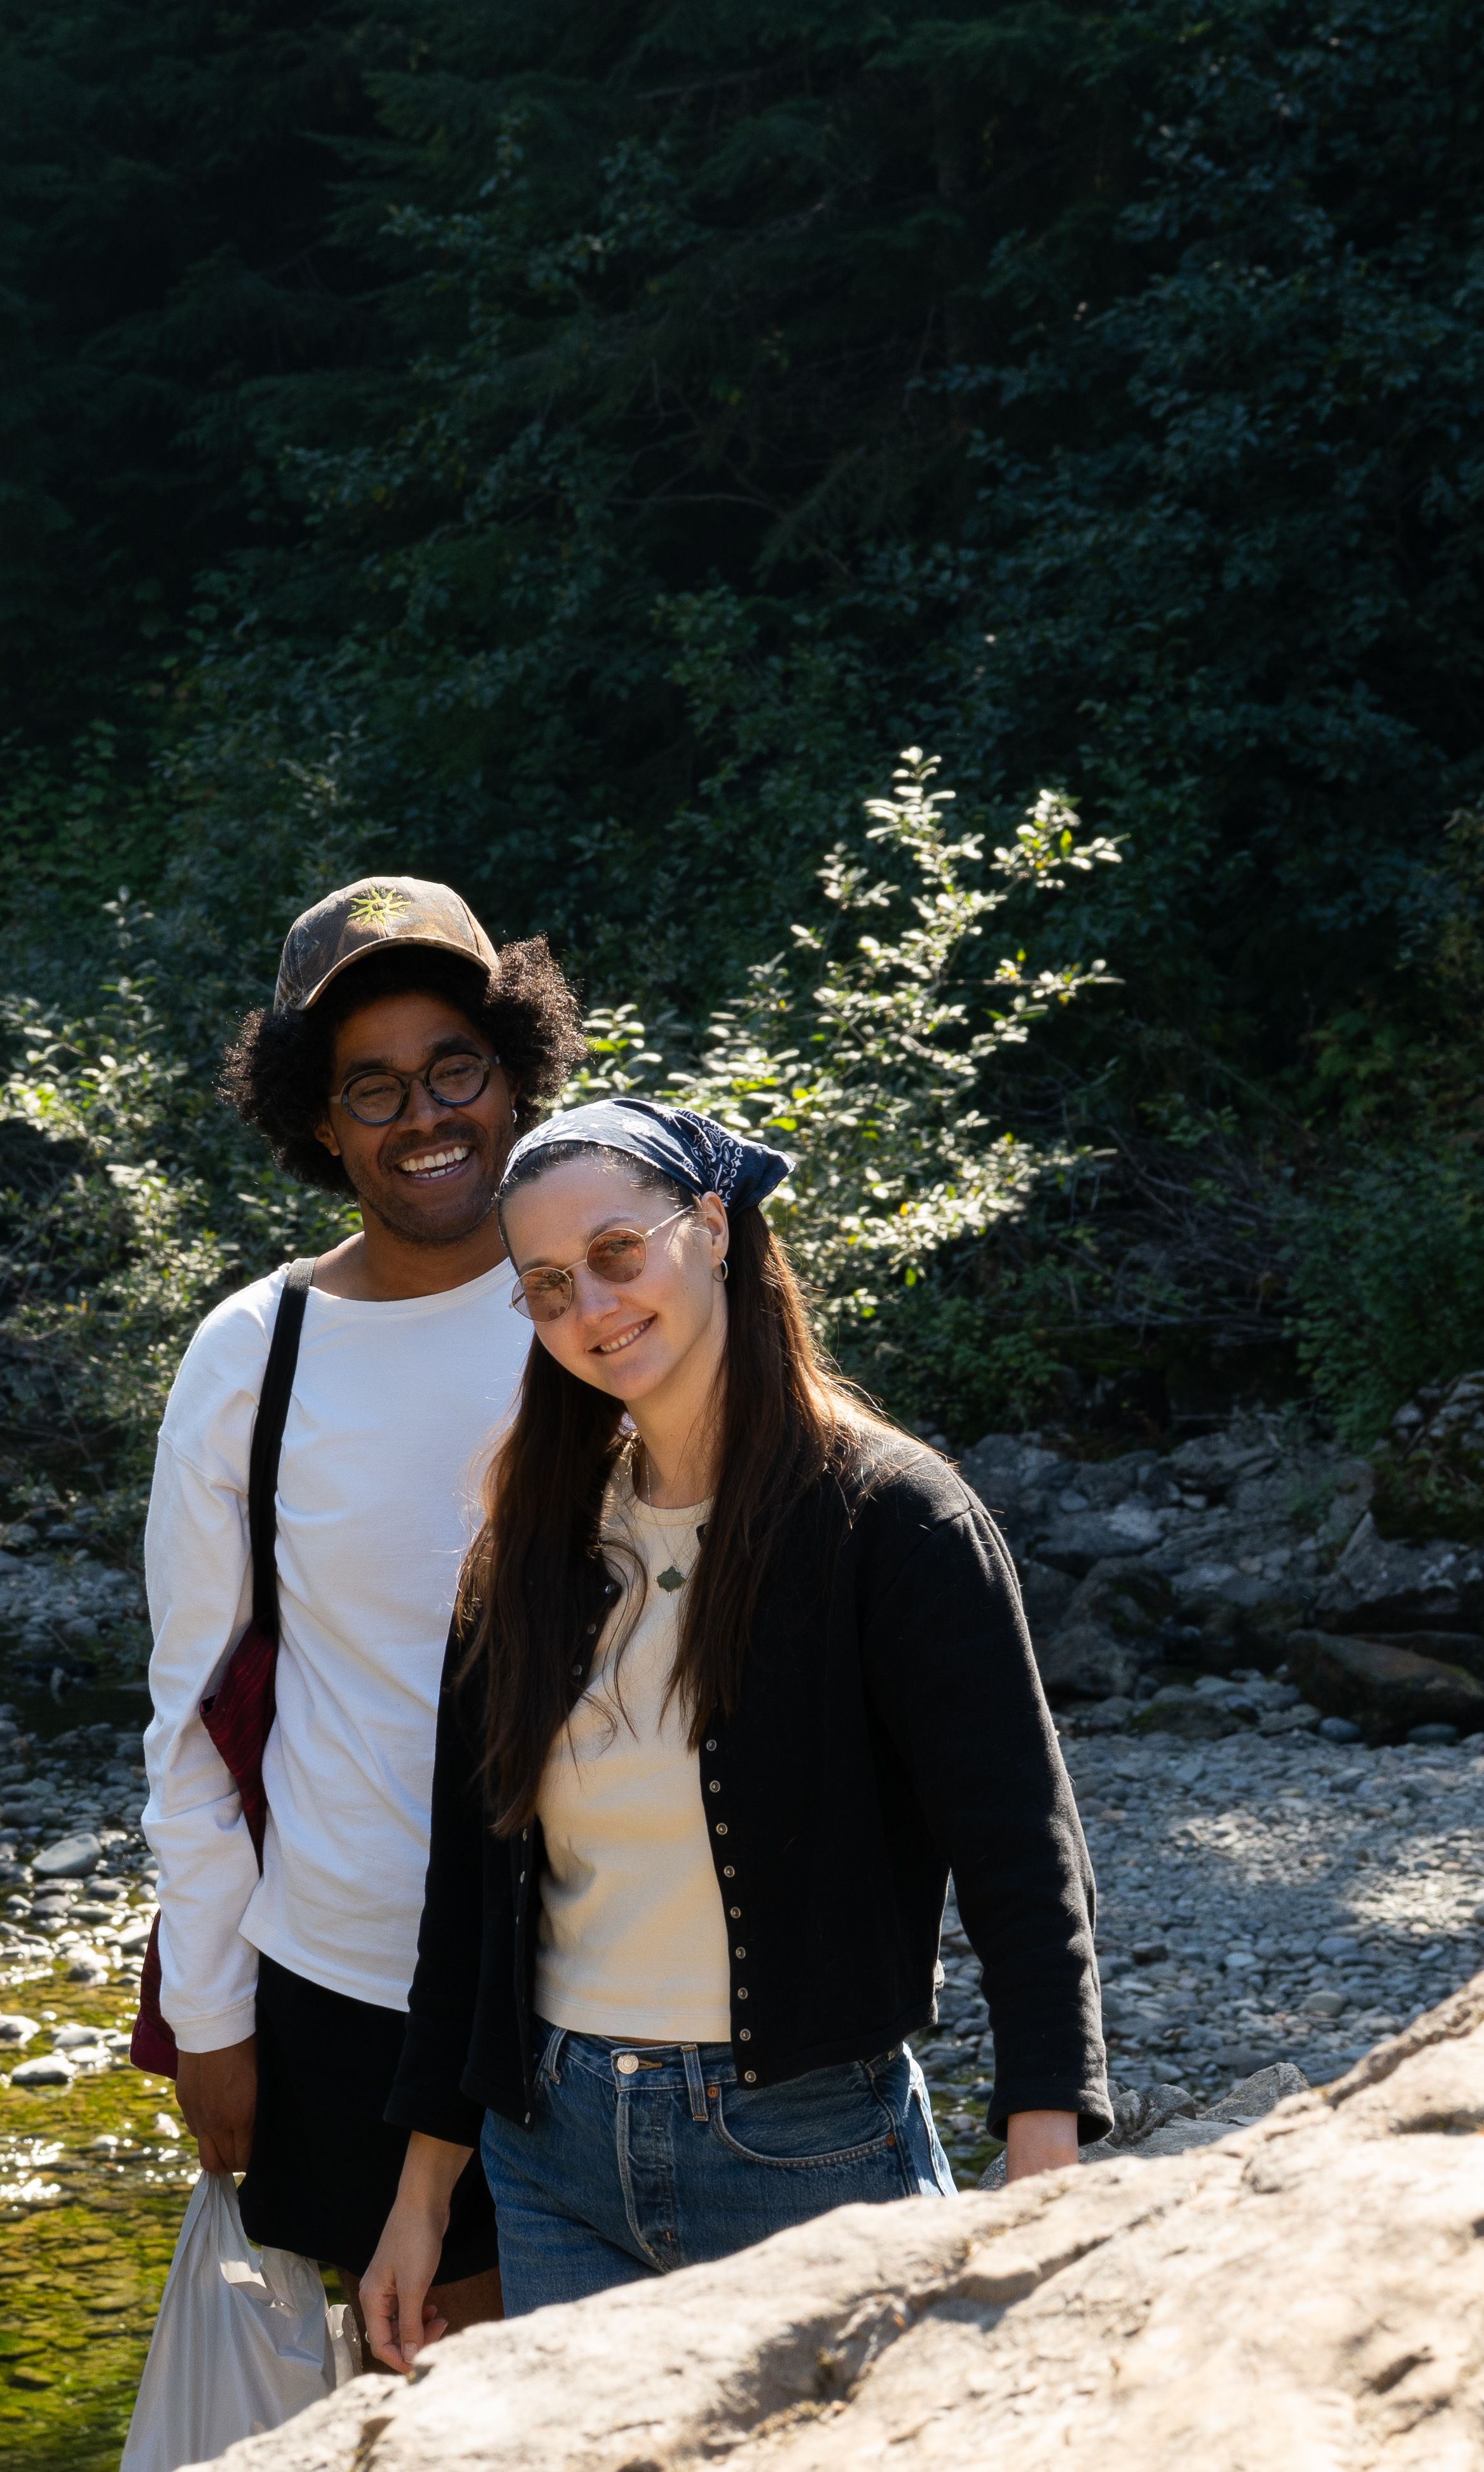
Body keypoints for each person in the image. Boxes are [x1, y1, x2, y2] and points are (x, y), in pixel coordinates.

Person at [356, 1099, 1110, 2363]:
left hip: (807, 2155)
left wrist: (1045, 2137)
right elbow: (469, 1901)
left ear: (710, 1228)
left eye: (616, 1253)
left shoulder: (894, 1518)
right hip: (551, 2161)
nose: (591, 1308)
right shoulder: (531, 1543)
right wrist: (422, 2192)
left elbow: (1022, 1856)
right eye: (547, 1287)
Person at [142, 876, 586, 2337]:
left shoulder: (610, 1300)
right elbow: (191, 1714)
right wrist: (212, 2018)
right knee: (434, 2394)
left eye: (455, 1068)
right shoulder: (252, 1354)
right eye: (374, 1088)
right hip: (356, 1983)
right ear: (319, 1122)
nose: (425, 1117)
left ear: (514, 1073)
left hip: (633, 1973)